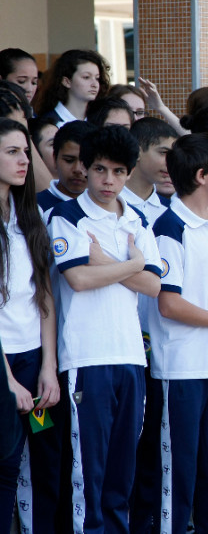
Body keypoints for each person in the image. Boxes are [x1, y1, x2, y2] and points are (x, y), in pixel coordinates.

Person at [48, 125, 162, 532]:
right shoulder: (66, 216)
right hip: (86, 357)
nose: (107, 180)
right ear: (85, 168)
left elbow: (154, 285)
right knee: (87, 474)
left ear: (129, 173)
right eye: (99, 170)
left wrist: (105, 262)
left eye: (117, 172)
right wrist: (131, 263)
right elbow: (77, 280)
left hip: (131, 357)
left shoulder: (138, 218)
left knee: (121, 474)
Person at [140, 133, 208, 533]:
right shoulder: (169, 227)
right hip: (180, 370)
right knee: (177, 475)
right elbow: (169, 303)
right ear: (202, 176)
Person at [0, 118, 58, 534]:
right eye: (12, 152)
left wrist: (48, 367)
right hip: (2, 365)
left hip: (32, 359)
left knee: (42, 459)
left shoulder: (28, 215)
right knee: (4, 465)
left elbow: (45, 296)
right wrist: (9, 381)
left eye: (25, 151)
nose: (24, 161)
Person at [33, 49, 109, 127]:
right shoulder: (49, 123)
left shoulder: (99, 120)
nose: (95, 84)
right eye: (86, 77)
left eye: (97, 78)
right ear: (66, 81)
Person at [36, 120, 97, 217]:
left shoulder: (110, 206)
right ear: (55, 158)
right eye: (69, 160)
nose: (78, 169)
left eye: (86, 162)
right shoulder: (35, 207)